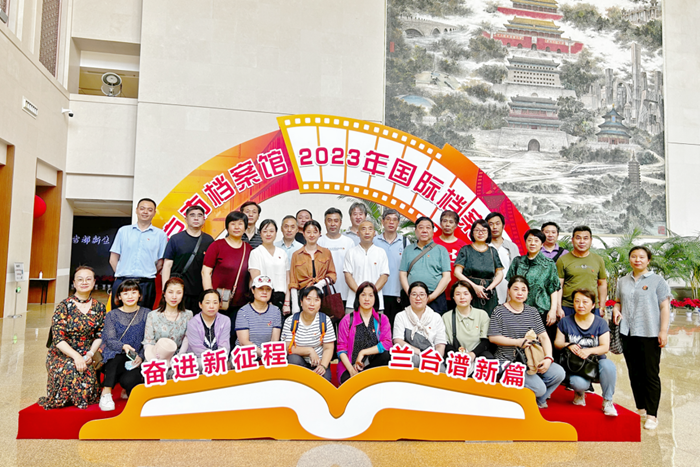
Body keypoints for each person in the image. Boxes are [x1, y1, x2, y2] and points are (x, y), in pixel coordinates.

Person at [613, 246, 672, 430]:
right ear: (629, 259)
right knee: (634, 372)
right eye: (633, 256)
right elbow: (618, 302)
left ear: (648, 260)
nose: (637, 260)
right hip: (627, 333)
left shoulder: (657, 281)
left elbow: (665, 307)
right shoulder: (623, 281)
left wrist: (663, 331)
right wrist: (615, 309)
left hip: (649, 333)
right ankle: (641, 408)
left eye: (641, 257)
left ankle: (652, 415)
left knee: (650, 374)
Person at [488, 276, 565, 409]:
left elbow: (544, 337)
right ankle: (528, 394)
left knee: (559, 373)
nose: (520, 293)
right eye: (516, 289)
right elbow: (493, 337)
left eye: (523, 290)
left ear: (528, 292)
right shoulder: (499, 310)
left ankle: (537, 400)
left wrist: (548, 358)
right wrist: (517, 342)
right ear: (508, 291)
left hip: (532, 359)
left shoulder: (532, 311)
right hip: (509, 361)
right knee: (539, 388)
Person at [38, 266, 106, 410]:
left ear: (94, 282)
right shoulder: (64, 306)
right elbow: (58, 339)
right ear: (74, 283)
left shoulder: (99, 307)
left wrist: (90, 354)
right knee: (71, 368)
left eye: (88, 279)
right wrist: (76, 357)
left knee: (87, 373)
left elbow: (100, 334)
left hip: (86, 353)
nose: (84, 282)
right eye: (80, 279)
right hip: (62, 353)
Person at [555, 289, 618, 416]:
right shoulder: (565, 321)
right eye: (577, 301)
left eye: (585, 302)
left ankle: (607, 401)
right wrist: (568, 345)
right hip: (576, 366)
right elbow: (557, 343)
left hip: (596, 364)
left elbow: (605, 347)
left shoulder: (600, 323)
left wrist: (588, 351)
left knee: (609, 365)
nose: (580, 305)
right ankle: (579, 393)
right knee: (577, 383)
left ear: (593, 305)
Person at [99, 279, 149, 411]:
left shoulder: (146, 313)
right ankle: (106, 392)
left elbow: (149, 339)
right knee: (115, 358)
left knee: (129, 380)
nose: (130, 296)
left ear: (139, 295)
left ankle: (125, 388)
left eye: (134, 292)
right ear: (119, 297)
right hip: (115, 355)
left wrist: (141, 356)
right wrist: (124, 347)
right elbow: (109, 340)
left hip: (135, 358)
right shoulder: (112, 315)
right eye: (126, 293)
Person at [109, 198, 168, 310]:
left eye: (149, 210)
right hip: (122, 282)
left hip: (146, 284)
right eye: (142, 208)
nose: (145, 212)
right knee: (118, 316)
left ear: (154, 213)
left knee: (143, 317)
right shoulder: (123, 231)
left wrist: (146, 272)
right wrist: (121, 274)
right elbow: (113, 258)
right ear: (136, 210)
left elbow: (160, 263)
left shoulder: (161, 235)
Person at [506, 229, 561, 344]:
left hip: (541, 310)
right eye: (529, 240)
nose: (532, 243)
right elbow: (510, 287)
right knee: (520, 343)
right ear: (525, 242)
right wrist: (508, 307)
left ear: (542, 244)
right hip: (518, 309)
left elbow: (553, 288)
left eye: (536, 240)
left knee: (541, 344)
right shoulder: (517, 261)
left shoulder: (548, 264)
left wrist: (553, 310)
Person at [202, 211, 251, 332]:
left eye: (240, 224)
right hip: (217, 303)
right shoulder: (217, 245)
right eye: (233, 224)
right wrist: (210, 297)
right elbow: (205, 272)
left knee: (235, 335)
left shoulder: (249, 249)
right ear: (227, 227)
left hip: (240, 304)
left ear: (245, 228)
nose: (236, 227)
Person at [161, 205, 214, 313]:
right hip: (178, 291)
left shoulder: (209, 240)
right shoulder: (176, 239)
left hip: (199, 291)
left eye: (199, 215)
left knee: (196, 321)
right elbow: (167, 265)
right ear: (186, 219)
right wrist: (165, 289)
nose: (196, 218)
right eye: (192, 215)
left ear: (204, 220)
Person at [337, 282, 392, 383]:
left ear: (375, 299)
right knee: (351, 384)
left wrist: (363, 352)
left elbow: (387, 343)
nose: (367, 299)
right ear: (358, 298)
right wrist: (351, 370)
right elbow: (341, 349)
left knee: (385, 355)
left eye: (370, 295)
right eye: (363, 295)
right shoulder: (347, 320)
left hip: (372, 366)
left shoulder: (382, 319)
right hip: (350, 367)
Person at [281, 286, 336, 381]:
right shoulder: (291, 321)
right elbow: (287, 348)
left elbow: (328, 348)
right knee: (293, 359)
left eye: (316, 300)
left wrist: (323, 366)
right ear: (301, 302)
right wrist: (309, 351)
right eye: (308, 299)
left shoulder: (325, 320)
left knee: (324, 380)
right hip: (299, 362)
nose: (312, 304)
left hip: (319, 362)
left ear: (320, 304)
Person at [399, 217, 451, 315]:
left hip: (435, 298)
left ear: (433, 231)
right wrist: (410, 294)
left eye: (428, 228)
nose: (424, 230)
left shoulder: (441, 250)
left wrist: (432, 297)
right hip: (412, 297)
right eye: (421, 227)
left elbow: (447, 277)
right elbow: (403, 274)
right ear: (416, 231)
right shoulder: (408, 250)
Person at [453, 219, 504, 316]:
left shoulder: (492, 251)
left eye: (484, 230)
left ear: (488, 233)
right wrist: (475, 287)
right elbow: (457, 272)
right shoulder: (465, 250)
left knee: (490, 320)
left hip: (488, 293)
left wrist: (490, 288)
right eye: (477, 230)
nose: (480, 233)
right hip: (469, 291)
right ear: (472, 233)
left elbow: (499, 273)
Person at [556, 226, 607, 317]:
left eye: (585, 238)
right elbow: (558, 286)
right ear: (572, 240)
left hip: (592, 307)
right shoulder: (563, 260)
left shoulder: (598, 260)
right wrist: (558, 308)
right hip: (568, 307)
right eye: (578, 238)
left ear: (591, 240)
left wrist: (602, 306)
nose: (582, 241)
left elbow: (602, 284)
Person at [393, 281, 447, 367]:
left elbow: (440, 344)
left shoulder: (436, 317)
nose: (418, 298)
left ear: (427, 297)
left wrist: (435, 358)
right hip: (409, 356)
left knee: (441, 370)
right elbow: (398, 341)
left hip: (431, 357)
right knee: (414, 359)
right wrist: (421, 353)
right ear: (409, 297)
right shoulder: (401, 316)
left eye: (422, 295)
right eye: (414, 294)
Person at [289, 219, 337, 314]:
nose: (311, 235)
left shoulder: (326, 252)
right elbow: (293, 281)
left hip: (322, 294)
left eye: (315, 232)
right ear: (303, 233)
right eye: (308, 232)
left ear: (319, 234)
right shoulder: (296, 255)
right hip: (304, 294)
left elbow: (332, 275)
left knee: (322, 321)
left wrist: (320, 284)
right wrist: (295, 305)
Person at [344, 220, 390, 313]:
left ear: (374, 233)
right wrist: (361, 294)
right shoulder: (351, 252)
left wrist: (371, 294)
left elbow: (384, 276)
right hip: (353, 302)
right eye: (363, 229)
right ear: (358, 233)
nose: (367, 232)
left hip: (376, 304)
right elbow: (348, 275)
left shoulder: (381, 252)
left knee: (376, 323)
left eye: (370, 229)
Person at [143, 277, 193, 362]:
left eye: (178, 293)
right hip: (155, 358)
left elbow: (187, 338)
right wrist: (155, 357)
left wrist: (179, 356)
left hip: (178, 358)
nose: (174, 297)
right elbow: (148, 341)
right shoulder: (153, 315)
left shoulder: (188, 315)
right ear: (164, 294)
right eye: (170, 292)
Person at [373, 208, 408, 327]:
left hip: (397, 293)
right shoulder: (374, 241)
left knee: (395, 327)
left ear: (398, 223)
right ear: (382, 222)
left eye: (394, 220)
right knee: (378, 328)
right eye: (388, 219)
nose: (391, 222)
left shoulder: (405, 242)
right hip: (377, 292)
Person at [441, 281, 493, 360]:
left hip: (478, 355)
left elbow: (486, 341)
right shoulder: (446, 317)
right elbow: (445, 343)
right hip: (456, 357)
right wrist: (460, 357)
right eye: (458, 294)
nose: (462, 297)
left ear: (471, 296)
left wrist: (473, 354)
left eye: (466, 294)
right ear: (453, 297)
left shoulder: (482, 314)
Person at [248, 219, 290, 313]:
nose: (268, 234)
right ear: (260, 233)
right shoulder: (255, 253)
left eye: (271, 231)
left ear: (276, 233)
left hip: (281, 297)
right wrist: (268, 301)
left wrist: (287, 302)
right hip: (264, 297)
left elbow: (288, 279)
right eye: (265, 231)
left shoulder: (282, 252)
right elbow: (256, 280)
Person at [235, 275, 283, 356]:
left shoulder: (276, 311)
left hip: (268, 354)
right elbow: (244, 342)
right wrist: (264, 354)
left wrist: (268, 355)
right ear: (253, 290)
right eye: (261, 288)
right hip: (245, 354)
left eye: (268, 289)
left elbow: (274, 341)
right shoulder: (243, 311)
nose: (264, 292)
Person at [318, 208, 356, 305]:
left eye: (336, 221)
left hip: (346, 292)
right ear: (325, 222)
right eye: (329, 220)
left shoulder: (349, 242)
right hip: (324, 293)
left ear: (340, 222)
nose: (332, 224)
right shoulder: (319, 242)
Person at [433, 210, 467, 309]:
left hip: (457, 292)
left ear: (456, 225)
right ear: (440, 224)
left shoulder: (463, 246)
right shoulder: (432, 244)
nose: (447, 224)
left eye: (451, 222)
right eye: (444, 221)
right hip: (437, 292)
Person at [486, 212, 520, 305]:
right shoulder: (483, 246)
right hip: (487, 291)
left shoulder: (512, 247)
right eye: (491, 224)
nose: (494, 227)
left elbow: (517, 271)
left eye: (497, 223)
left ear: (503, 226)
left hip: (507, 292)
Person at [186, 289, 232, 360]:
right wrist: (213, 360)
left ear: (220, 304)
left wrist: (219, 359)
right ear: (200, 305)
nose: (211, 306)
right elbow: (197, 349)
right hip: (199, 359)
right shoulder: (193, 323)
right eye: (207, 303)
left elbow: (224, 345)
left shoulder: (225, 320)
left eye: (215, 303)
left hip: (219, 359)